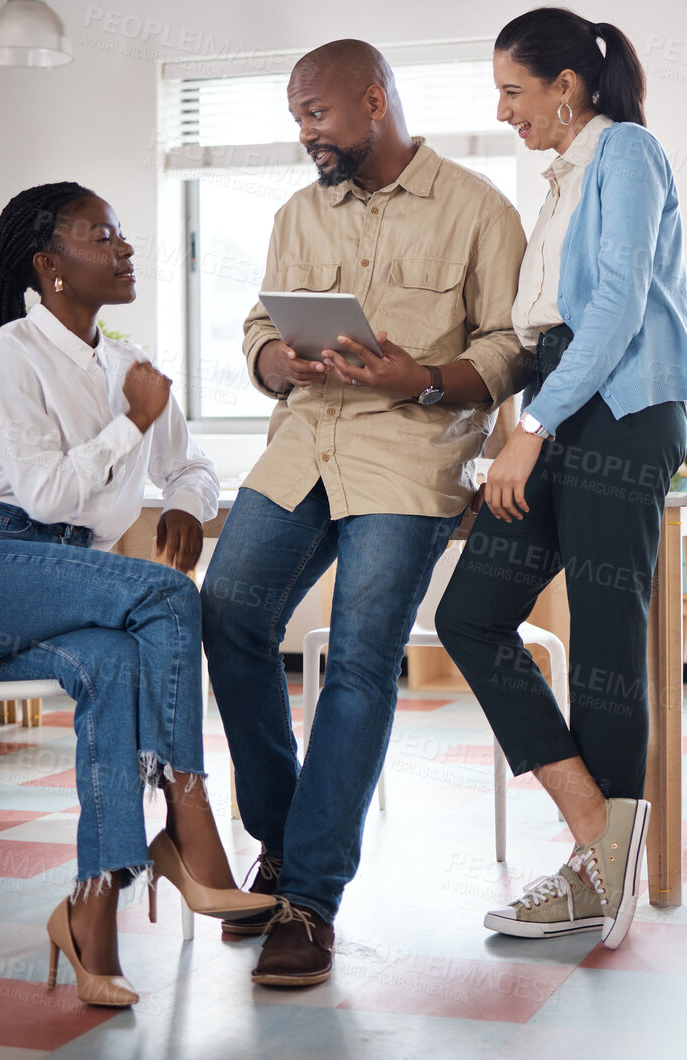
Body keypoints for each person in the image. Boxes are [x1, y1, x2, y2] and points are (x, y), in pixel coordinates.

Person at [201, 41, 528, 987]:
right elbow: (261, 331)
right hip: (303, 446)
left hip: (411, 454)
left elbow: (512, 346)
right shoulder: (297, 212)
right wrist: (279, 364)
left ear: (374, 100)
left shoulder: (477, 209)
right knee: (226, 613)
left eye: (317, 113)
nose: (305, 132)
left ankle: (308, 897)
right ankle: (285, 838)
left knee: (359, 656)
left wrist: (422, 378)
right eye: (297, 115)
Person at [0, 183, 271, 1008]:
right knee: (167, 596)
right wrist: (131, 425)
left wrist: (185, 501)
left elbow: (193, 467)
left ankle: (91, 916)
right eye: (100, 237)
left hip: (68, 580)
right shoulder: (12, 354)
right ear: (50, 267)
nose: (124, 249)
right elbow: (40, 495)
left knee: (113, 668)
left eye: (121, 234)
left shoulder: (126, 366)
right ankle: (190, 822)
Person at [436, 8, 687, 950]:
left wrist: (534, 428)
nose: (504, 110)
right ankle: (600, 835)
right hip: (558, 399)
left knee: (602, 625)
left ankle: (602, 879)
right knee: (469, 615)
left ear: (566, 85)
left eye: (513, 91)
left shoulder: (625, 151)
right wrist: (518, 422)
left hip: (622, 408)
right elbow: (545, 323)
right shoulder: (559, 178)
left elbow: (620, 305)